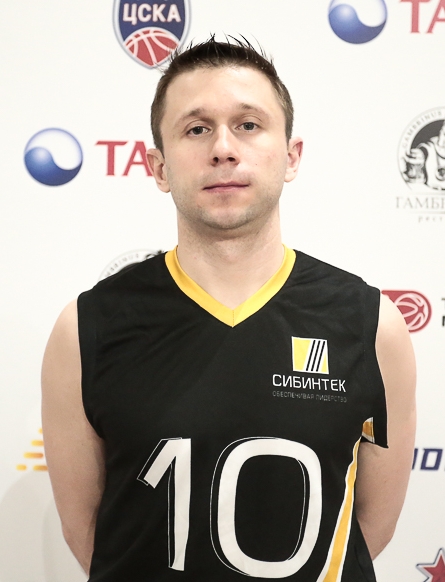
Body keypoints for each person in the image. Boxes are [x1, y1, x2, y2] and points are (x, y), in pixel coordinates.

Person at [42, 37, 416, 581]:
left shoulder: (371, 325)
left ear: (291, 156)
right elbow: (91, 534)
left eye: (248, 124)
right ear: (158, 167)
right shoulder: (86, 329)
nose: (223, 148)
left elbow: (370, 528)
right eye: (196, 129)